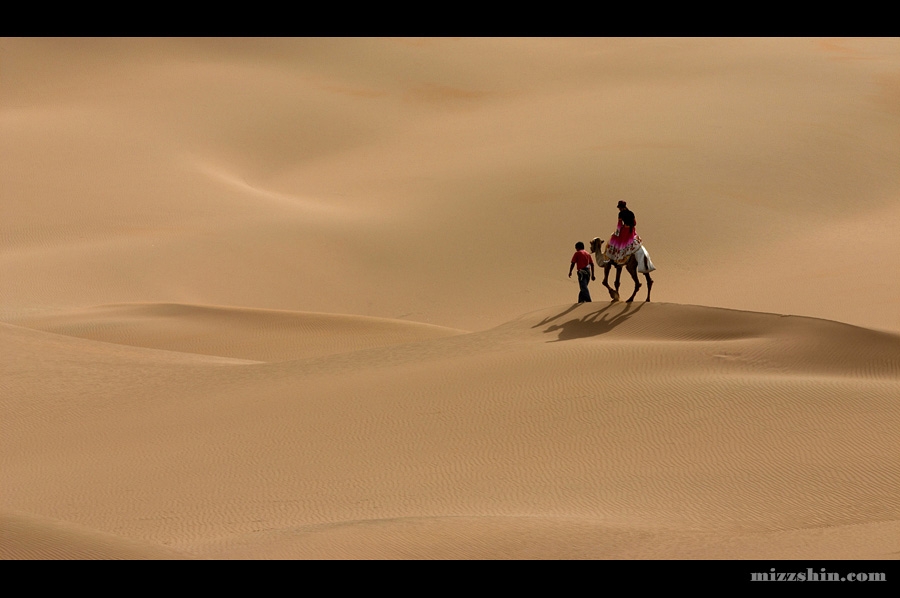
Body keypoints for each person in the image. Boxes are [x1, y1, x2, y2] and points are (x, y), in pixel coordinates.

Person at [604, 200, 643, 266]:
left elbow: (619, 224)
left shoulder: (621, 214)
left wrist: (617, 232)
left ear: (621, 207)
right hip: (632, 231)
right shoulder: (631, 213)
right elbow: (634, 223)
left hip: (625, 230)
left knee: (615, 240)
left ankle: (615, 259)